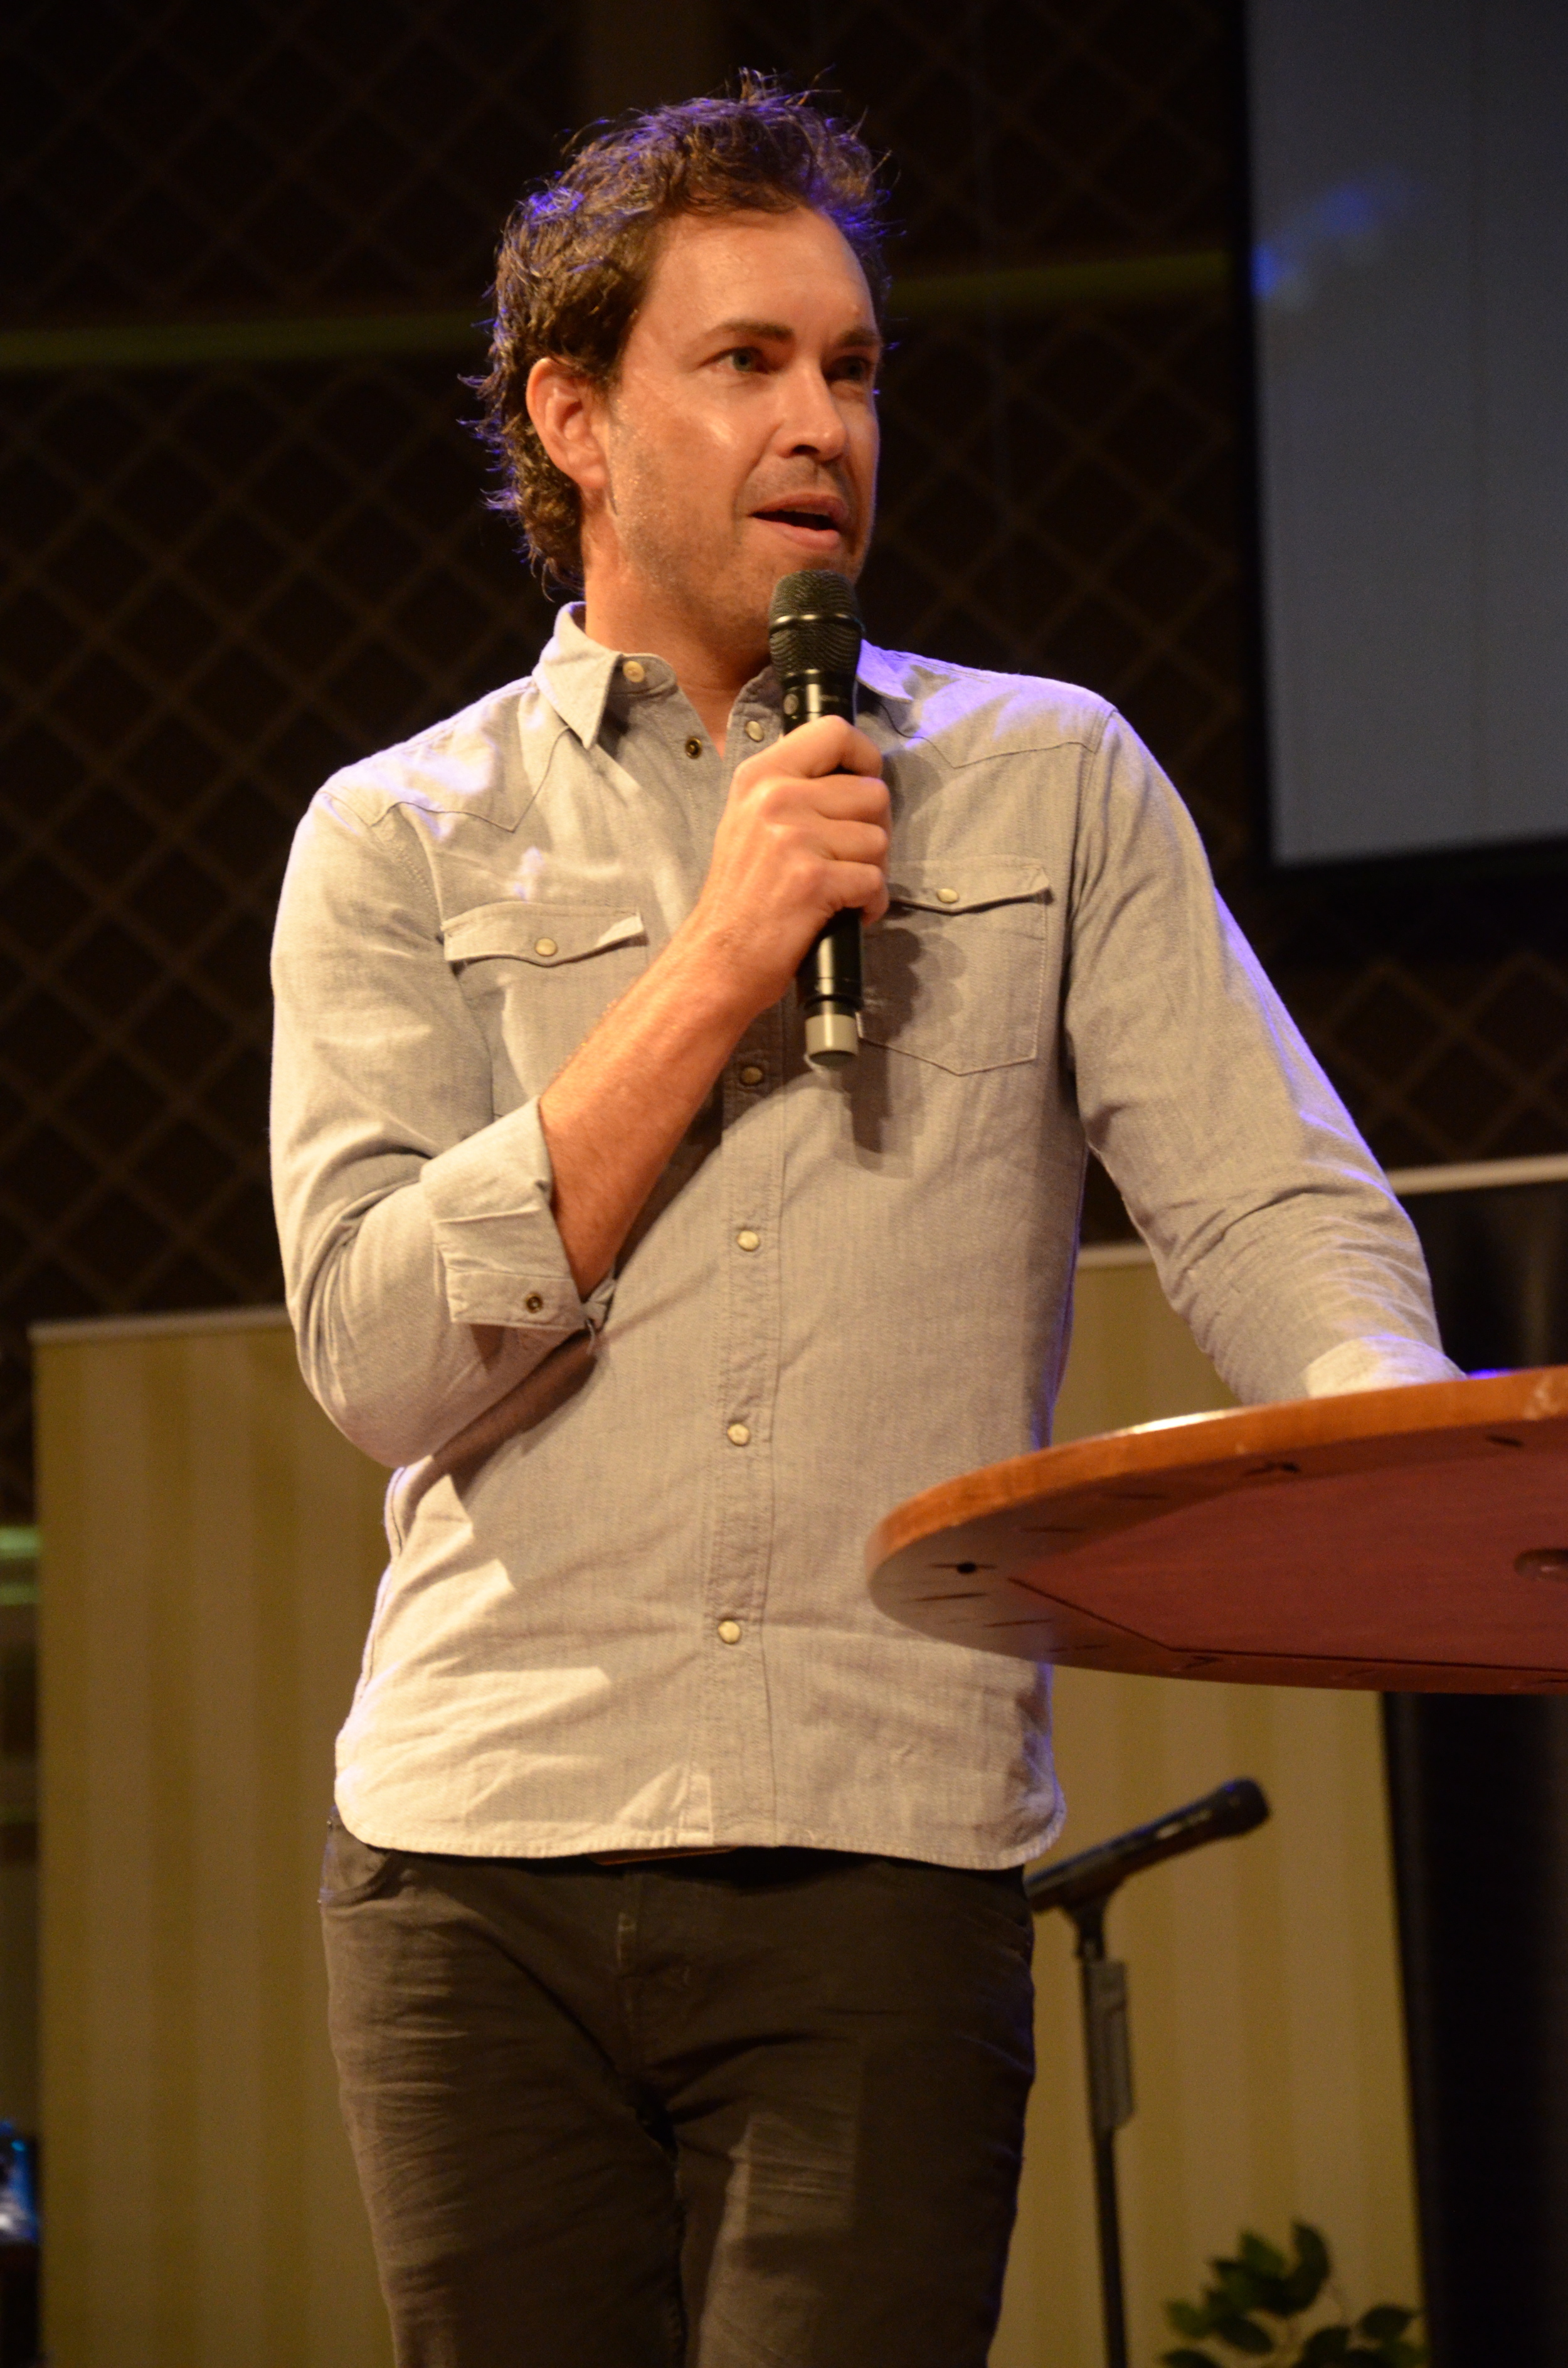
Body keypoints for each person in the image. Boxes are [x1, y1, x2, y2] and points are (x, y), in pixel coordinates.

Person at [269, 81, 1457, 2368]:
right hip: (470, 1861)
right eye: (745, 363)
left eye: (853, 367)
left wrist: (1384, 1446)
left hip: (883, 1848)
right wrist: (719, 963)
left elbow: (1271, 1207)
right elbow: (381, 1359)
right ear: (575, 417)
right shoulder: (395, 837)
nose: (820, 420)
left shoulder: (1047, 778)